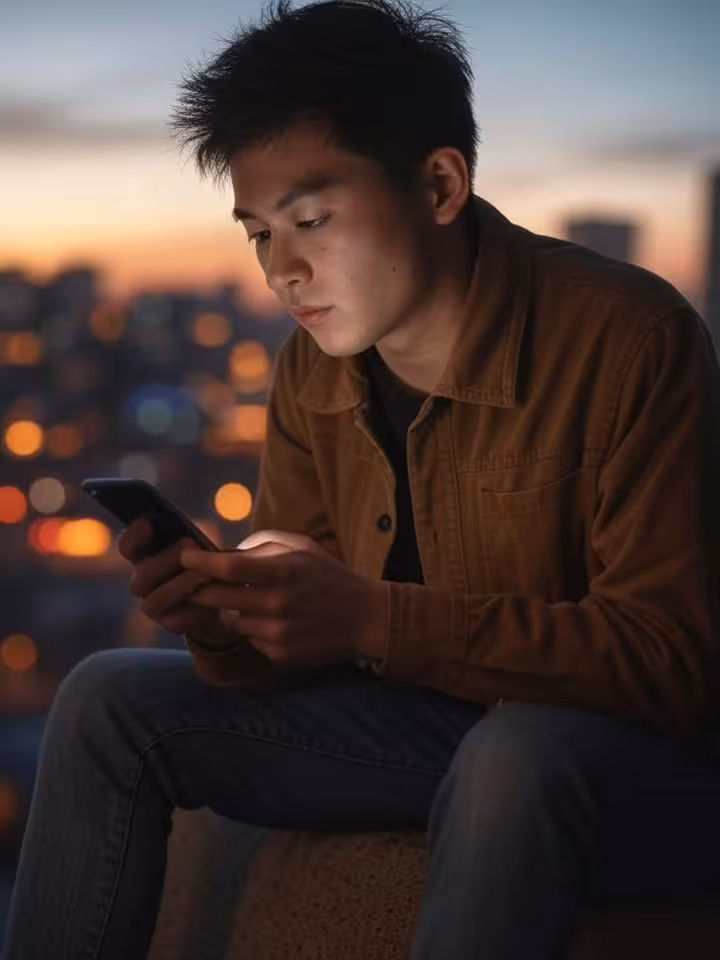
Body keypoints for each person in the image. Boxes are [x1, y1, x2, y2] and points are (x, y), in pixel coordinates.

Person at [4, 1, 720, 958]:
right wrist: (228, 624)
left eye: (311, 219)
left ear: (438, 184)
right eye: (258, 232)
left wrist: (371, 618)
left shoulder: (630, 336)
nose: (281, 271)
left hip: (627, 766)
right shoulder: (314, 368)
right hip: (431, 741)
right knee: (104, 700)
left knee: (517, 754)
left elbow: (670, 663)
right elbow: (313, 642)